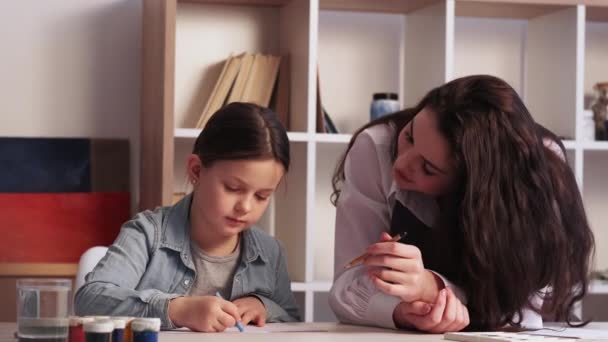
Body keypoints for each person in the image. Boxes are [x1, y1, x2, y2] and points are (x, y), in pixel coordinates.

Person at [328, 75, 594, 332]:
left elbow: (529, 303)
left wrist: (431, 287)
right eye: (409, 136)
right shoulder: (376, 146)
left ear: (474, 186)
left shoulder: (538, 169)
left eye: (428, 168)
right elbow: (346, 288)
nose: (401, 164)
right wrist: (403, 312)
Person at [75, 102, 301, 331]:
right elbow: (90, 300)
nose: (245, 206)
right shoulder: (146, 234)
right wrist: (177, 310)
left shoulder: (271, 252)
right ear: (196, 171)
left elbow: (293, 319)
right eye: (233, 188)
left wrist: (264, 306)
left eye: (262, 196)